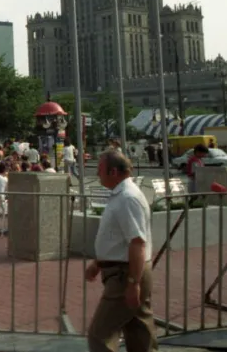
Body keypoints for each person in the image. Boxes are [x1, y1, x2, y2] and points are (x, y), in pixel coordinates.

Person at [85, 150, 157, 352]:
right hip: (124, 271)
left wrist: (133, 282)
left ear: (114, 171)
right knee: (138, 332)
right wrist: (99, 263)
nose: (98, 174)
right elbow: (119, 239)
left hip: (125, 274)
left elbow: (137, 243)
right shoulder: (122, 195)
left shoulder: (127, 198)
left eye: (100, 170)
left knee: (100, 336)